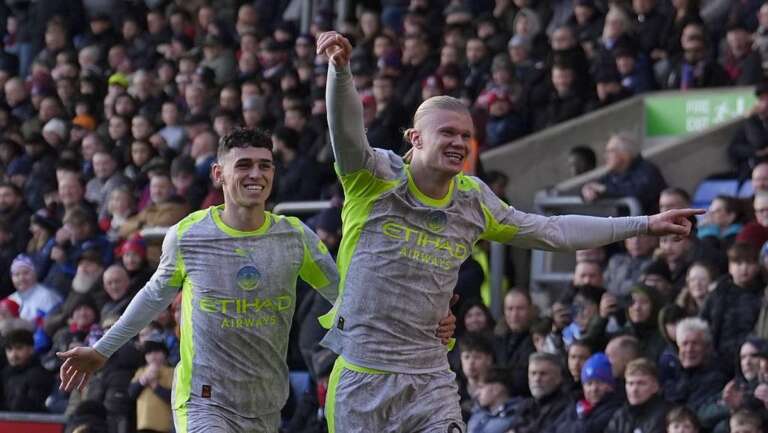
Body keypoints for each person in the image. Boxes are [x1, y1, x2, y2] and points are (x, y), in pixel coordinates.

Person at [316, 30, 701, 433]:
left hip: (429, 375)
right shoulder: (374, 177)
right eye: (447, 132)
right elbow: (345, 132)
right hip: (363, 374)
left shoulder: (473, 200)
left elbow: (553, 231)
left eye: (466, 135)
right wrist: (341, 71)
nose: (459, 142)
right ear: (416, 138)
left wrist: (644, 224)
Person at [56, 128, 344, 433]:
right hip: (203, 399)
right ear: (219, 174)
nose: (256, 174)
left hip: (265, 402)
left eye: (264, 165)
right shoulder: (190, 235)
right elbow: (153, 297)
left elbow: (344, 299)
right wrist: (102, 350)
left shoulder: (295, 237)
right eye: (244, 165)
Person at [606, 358, 670, 433]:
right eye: (630, 383)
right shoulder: (620, 416)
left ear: (655, 387)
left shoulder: (666, 415)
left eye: (641, 383)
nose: (634, 390)